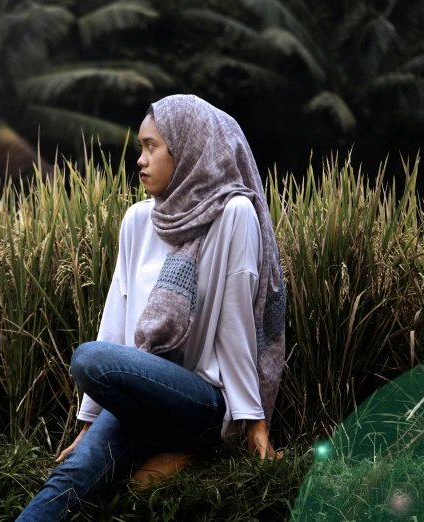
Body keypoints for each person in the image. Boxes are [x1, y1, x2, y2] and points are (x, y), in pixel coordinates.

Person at [15, 94, 287, 522]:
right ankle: (178, 449)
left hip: (203, 402)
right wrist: (88, 424)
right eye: (140, 148)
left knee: (89, 358)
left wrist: (254, 423)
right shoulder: (139, 220)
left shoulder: (234, 213)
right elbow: (116, 318)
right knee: (71, 475)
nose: (140, 160)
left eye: (150, 147)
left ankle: (199, 442)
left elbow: (239, 323)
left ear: (189, 149)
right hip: (143, 395)